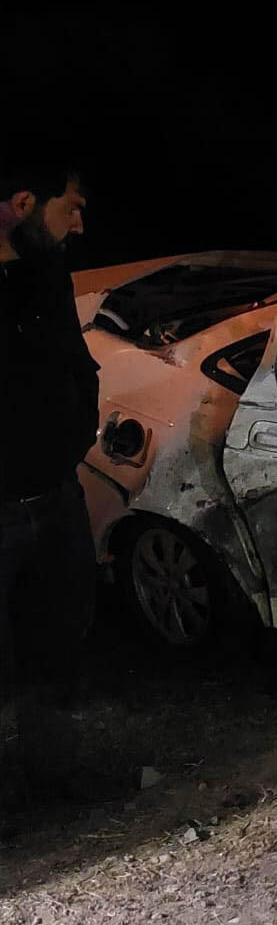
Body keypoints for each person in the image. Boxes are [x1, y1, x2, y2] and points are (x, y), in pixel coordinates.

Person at [0, 154, 97, 757]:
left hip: (57, 493)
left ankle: (57, 772)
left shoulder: (45, 271)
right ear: (24, 204)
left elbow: (73, 360)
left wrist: (76, 433)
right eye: (72, 209)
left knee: (60, 647)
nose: (79, 226)